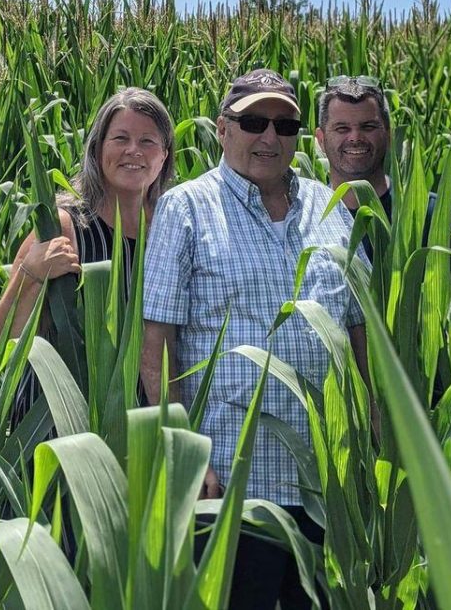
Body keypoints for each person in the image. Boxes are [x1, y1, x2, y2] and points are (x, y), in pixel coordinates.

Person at [141, 69, 371, 610]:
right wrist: (189, 458)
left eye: (285, 124)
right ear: (223, 130)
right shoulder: (186, 209)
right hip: (230, 486)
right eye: (253, 122)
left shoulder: (333, 207)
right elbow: (156, 352)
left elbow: (359, 334)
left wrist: (370, 443)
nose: (270, 137)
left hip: (324, 487)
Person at [0, 87, 175, 426]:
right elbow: (6, 336)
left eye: (148, 141)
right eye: (120, 138)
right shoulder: (66, 225)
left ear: (164, 155)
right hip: (59, 424)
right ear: (97, 149)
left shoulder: (172, 230)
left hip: (138, 424)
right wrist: (30, 275)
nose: (133, 150)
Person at [315, 75, 451, 293]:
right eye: (342, 128)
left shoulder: (433, 216)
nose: (355, 137)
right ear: (320, 139)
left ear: (389, 135)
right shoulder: (307, 219)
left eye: (368, 126)